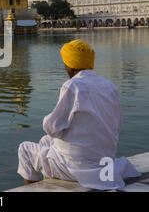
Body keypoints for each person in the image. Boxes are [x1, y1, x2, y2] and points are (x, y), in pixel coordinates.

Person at [17, 39, 141, 190]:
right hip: (104, 162)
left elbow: (51, 127)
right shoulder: (110, 87)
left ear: (69, 65)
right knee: (45, 141)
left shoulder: (72, 86)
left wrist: (48, 120)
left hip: (79, 168)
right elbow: (117, 124)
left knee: (25, 149)